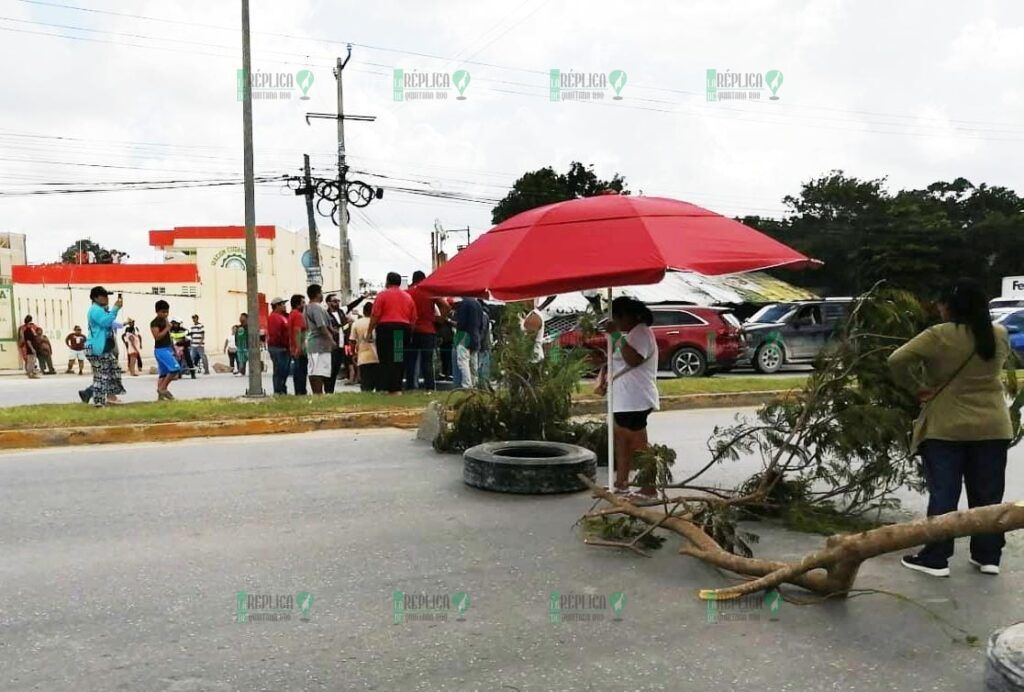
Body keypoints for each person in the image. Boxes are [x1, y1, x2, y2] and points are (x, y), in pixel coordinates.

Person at [889, 279, 1013, 577]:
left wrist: (917, 389)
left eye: (942, 304)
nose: (939, 309)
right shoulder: (999, 333)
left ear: (951, 307)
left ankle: (937, 558)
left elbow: (897, 359)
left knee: (944, 493)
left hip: (947, 426)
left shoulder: (939, 335)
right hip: (993, 425)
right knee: (988, 495)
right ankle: (988, 556)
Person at [595, 297, 659, 497]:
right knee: (621, 440)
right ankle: (621, 482)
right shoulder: (631, 334)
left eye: (616, 318)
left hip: (635, 397)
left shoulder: (641, 333)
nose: (616, 322)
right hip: (623, 398)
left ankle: (649, 487)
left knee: (637, 443)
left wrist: (615, 335)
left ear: (627, 316)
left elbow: (632, 359)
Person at [368, 272, 417, 394]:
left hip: (386, 328)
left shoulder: (382, 295)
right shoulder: (407, 297)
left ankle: (384, 387)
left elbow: (375, 315)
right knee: (398, 358)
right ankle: (396, 387)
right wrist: (409, 333)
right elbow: (414, 318)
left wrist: (370, 331)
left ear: (387, 281)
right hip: (401, 328)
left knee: (385, 357)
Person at [80, 286, 125, 407]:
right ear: (95, 297)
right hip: (96, 347)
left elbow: (109, 322)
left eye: (107, 296)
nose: (106, 298)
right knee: (102, 375)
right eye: (103, 296)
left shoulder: (100, 309)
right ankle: (99, 402)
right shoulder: (95, 310)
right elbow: (106, 322)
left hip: (101, 347)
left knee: (113, 369)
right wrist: (115, 309)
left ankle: (110, 396)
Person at [405, 270, 448, 391]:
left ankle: (410, 387)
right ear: (424, 279)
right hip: (428, 330)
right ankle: (429, 388)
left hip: (412, 330)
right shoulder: (429, 292)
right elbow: (446, 306)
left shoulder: (407, 293)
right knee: (427, 362)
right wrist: (439, 319)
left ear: (413, 280)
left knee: (411, 361)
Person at [303, 284, 335, 395]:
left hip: (319, 346)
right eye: (321, 292)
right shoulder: (315, 307)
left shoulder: (309, 307)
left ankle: (319, 393)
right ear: (317, 294)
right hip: (317, 345)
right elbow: (321, 326)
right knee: (316, 371)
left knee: (320, 370)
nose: (322, 295)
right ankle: (318, 394)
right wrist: (331, 339)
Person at [151, 300, 180, 400]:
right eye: (163, 312)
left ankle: (160, 397)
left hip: (167, 348)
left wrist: (174, 350)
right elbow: (157, 337)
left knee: (163, 373)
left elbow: (169, 337)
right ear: (157, 311)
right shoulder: (154, 323)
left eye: (167, 312)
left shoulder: (165, 320)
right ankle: (163, 389)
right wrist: (167, 328)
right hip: (160, 350)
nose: (165, 314)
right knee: (175, 369)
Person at [454, 296, 484, 389]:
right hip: (476, 336)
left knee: (463, 361)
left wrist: (455, 324)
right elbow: (481, 323)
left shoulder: (463, 304)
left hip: (463, 336)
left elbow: (461, 323)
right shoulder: (478, 304)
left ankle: (467, 385)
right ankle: (475, 384)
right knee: (473, 363)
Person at [351, 302, 379, 391]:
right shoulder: (378, 323)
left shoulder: (356, 323)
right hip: (377, 357)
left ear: (363, 311)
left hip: (363, 357)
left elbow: (352, 341)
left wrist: (353, 353)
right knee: (377, 381)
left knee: (365, 383)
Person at [267, 297, 291, 395]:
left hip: (284, 347)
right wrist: (283, 344)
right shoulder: (274, 317)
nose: (284, 306)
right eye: (282, 304)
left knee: (284, 370)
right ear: (276, 306)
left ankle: (282, 388)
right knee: (279, 370)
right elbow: (276, 333)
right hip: (278, 348)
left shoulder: (284, 316)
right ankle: (278, 390)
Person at [288, 294, 308, 395]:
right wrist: (299, 347)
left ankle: (299, 391)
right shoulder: (298, 315)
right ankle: (301, 392)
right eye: (303, 303)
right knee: (301, 372)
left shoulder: (291, 314)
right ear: (298, 304)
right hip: (299, 348)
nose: (305, 305)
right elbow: (297, 331)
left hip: (293, 347)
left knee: (298, 372)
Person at [325, 294, 345, 393]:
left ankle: (331, 390)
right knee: (330, 370)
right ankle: (328, 390)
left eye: (338, 301)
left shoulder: (341, 312)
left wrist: (362, 297)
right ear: (328, 303)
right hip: (332, 346)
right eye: (334, 301)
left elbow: (351, 306)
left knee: (336, 369)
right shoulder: (326, 314)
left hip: (341, 345)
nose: (337, 303)